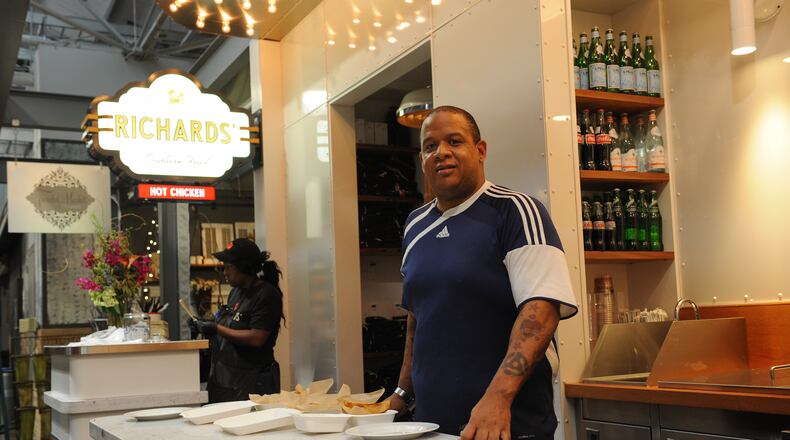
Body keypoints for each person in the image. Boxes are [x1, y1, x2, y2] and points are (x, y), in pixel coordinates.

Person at [387, 106, 578, 439]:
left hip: (507, 425)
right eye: (430, 146)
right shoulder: (414, 225)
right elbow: (417, 316)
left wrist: (497, 399)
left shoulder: (517, 211)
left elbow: (542, 312)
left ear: (480, 150)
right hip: (432, 423)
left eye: (454, 141)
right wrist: (401, 396)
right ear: (422, 159)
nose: (441, 152)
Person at [189, 238, 285, 403]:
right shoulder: (236, 292)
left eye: (229, 267)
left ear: (244, 267)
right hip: (227, 380)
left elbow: (257, 338)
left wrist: (217, 329)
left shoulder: (266, 295)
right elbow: (230, 325)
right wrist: (202, 325)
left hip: (253, 382)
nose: (225, 272)